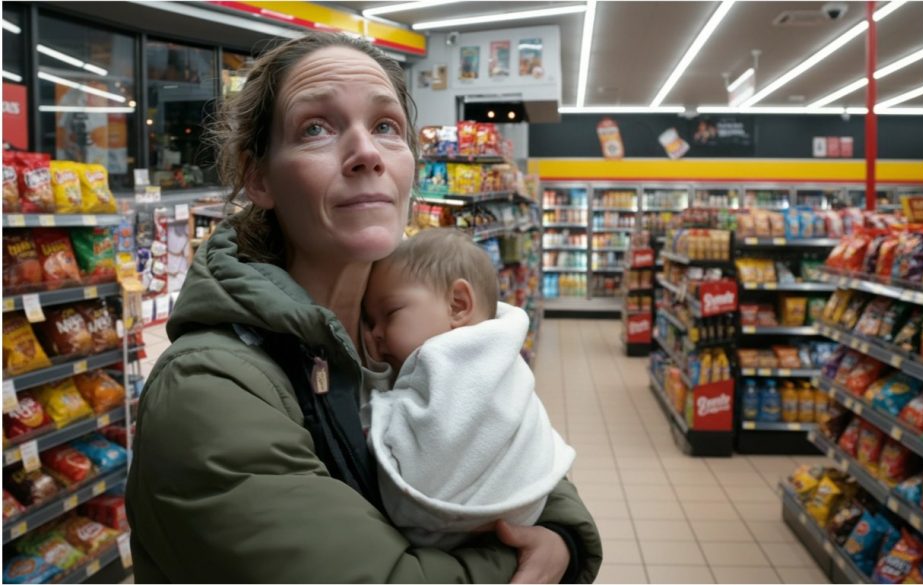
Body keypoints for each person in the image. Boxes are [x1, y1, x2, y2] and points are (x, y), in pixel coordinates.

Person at [125, 32, 602, 583]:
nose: (367, 153)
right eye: (316, 128)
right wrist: (538, 550)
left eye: (385, 127)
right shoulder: (207, 392)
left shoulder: (408, 327)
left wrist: (562, 527)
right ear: (258, 177)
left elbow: (509, 430)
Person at [361, 228, 576, 550]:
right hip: (521, 515)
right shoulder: (500, 356)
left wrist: (378, 392)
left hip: (448, 524)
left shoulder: (445, 363)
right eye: (369, 322)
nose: (375, 334)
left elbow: (424, 460)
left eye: (389, 314)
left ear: (458, 305)